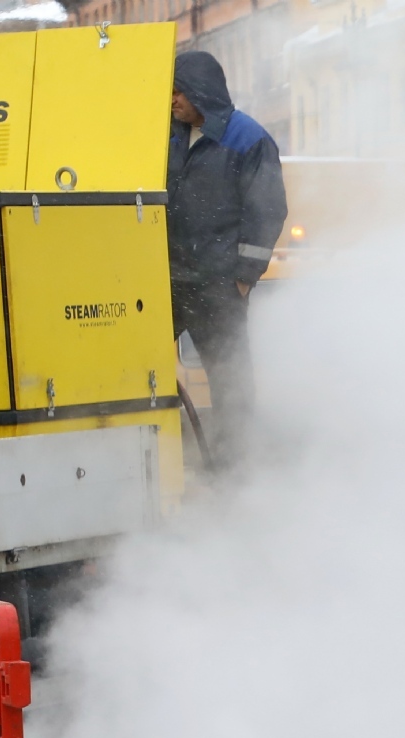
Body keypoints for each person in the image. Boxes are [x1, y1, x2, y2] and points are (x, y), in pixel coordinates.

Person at [167, 50, 288, 465]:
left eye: (179, 92)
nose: (172, 100)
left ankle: (234, 475)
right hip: (166, 281)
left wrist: (243, 276)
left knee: (229, 381)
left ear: (201, 91)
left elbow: (267, 211)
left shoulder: (248, 139)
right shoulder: (168, 135)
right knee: (130, 371)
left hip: (216, 284)